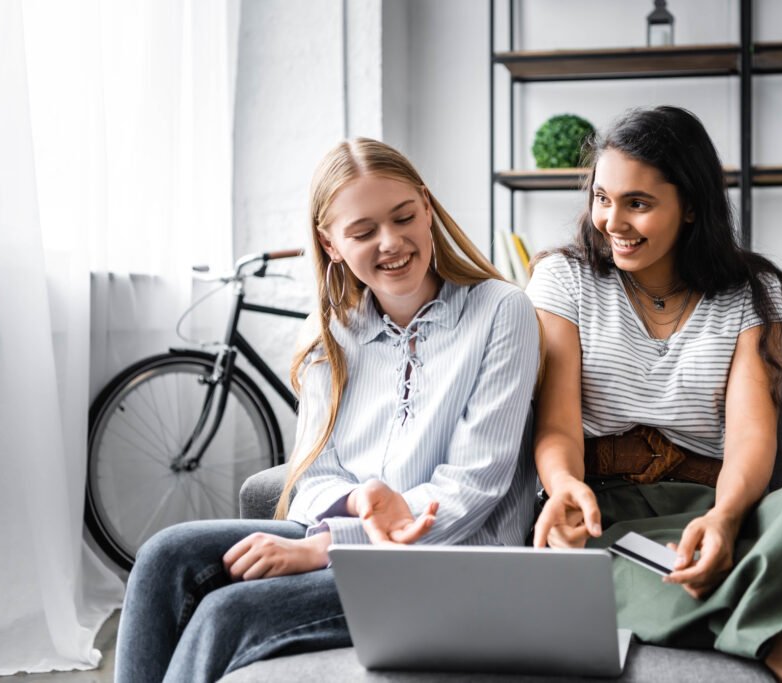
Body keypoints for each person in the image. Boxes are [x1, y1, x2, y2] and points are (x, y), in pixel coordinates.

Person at [115, 138, 540, 682]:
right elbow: (312, 476)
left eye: (404, 216)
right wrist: (358, 498)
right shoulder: (330, 334)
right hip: (349, 542)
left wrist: (326, 546)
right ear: (331, 243)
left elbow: (472, 490)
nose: (391, 242)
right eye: (363, 232)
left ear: (428, 208)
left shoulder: (502, 311)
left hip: (454, 560)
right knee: (162, 558)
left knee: (227, 613)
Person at [526, 106, 782, 683]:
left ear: (691, 206)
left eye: (638, 203)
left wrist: (724, 518)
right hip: (605, 520)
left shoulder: (752, 292)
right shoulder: (565, 278)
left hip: (714, 509)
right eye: (602, 197)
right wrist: (562, 485)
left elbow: (749, 434)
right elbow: (559, 422)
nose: (612, 221)